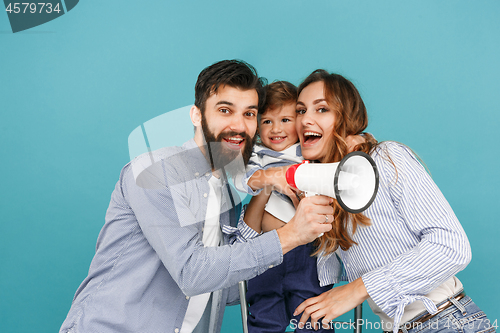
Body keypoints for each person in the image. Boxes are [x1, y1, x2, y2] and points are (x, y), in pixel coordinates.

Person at [58, 60, 335, 333]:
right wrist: (290, 236)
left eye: (249, 114)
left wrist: (318, 270)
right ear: (196, 115)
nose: (239, 126)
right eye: (225, 110)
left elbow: (226, 287)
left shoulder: (226, 194)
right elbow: (193, 273)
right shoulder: (155, 171)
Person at [285, 70, 494, 333]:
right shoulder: (328, 187)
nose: (305, 120)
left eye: (322, 109)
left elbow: (452, 247)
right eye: (301, 111)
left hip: (444, 321)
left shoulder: (385, 158)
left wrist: (357, 289)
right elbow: (339, 269)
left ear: (347, 117)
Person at [239, 81, 335, 332]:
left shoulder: (310, 150)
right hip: (266, 250)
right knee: (263, 314)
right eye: (267, 121)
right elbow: (243, 179)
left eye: (285, 120)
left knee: (313, 315)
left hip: (307, 252)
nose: (276, 129)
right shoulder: (256, 154)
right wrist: (270, 179)